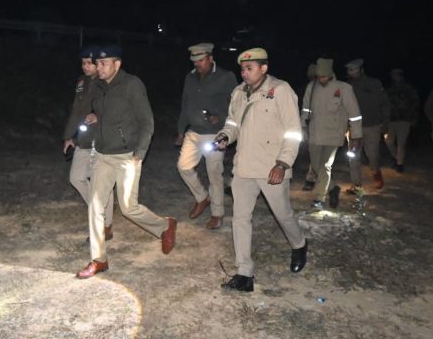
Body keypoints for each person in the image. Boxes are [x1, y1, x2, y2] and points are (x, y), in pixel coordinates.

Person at [76, 45, 177, 279]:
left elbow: (146, 121)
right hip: (102, 154)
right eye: (97, 63)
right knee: (95, 206)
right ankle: (99, 259)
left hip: (126, 156)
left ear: (117, 64)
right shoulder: (97, 85)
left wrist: (140, 152)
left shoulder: (132, 84)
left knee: (128, 207)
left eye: (104, 63)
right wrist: (96, 120)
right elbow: (106, 113)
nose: (99, 67)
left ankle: (165, 226)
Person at [214, 47, 307, 293]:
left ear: (264, 68)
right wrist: (225, 136)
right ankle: (244, 273)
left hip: (271, 167)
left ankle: (299, 244)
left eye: (249, 68)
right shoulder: (238, 92)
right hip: (244, 166)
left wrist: (283, 163)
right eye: (242, 69)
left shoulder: (281, 91)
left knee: (282, 214)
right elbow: (233, 123)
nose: (244, 73)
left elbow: (293, 132)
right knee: (240, 218)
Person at [175, 42, 238, 230]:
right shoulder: (190, 78)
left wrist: (220, 116)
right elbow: (185, 105)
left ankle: (217, 214)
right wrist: (180, 130)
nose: (197, 64)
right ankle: (202, 198)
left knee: (214, 175)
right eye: (194, 61)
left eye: (200, 60)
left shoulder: (226, 77)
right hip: (193, 132)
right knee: (183, 166)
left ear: (210, 58)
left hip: (215, 134)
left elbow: (236, 106)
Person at [62, 45, 115, 241]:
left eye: (89, 63)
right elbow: (76, 110)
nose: (85, 67)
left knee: (101, 185)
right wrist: (69, 136)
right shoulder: (82, 82)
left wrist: (100, 116)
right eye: (83, 63)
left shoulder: (106, 82)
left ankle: (105, 225)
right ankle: (98, 209)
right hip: (83, 139)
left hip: (101, 139)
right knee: (76, 178)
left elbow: (117, 109)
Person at [301, 58, 363, 210]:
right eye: (318, 76)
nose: (321, 79)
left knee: (325, 165)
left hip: (334, 134)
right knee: (316, 166)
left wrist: (356, 136)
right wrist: (302, 127)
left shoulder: (344, 88)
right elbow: (306, 109)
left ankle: (319, 199)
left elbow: (355, 114)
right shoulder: (312, 87)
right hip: (314, 134)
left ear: (330, 74)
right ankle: (333, 188)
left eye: (324, 76)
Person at [345, 59, 390, 192]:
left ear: (361, 70)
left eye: (354, 69)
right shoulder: (347, 87)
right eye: (349, 70)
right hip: (354, 128)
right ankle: (356, 185)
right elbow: (343, 107)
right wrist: (345, 126)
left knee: (373, 155)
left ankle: (376, 173)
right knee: (353, 156)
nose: (351, 72)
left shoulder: (374, 83)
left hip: (372, 125)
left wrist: (385, 122)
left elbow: (385, 103)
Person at [384, 68, 420, 173]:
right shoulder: (389, 89)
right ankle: (397, 158)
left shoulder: (409, 88)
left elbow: (416, 103)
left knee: (401, 143)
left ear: (401, 76)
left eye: (396, 75)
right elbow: (384, 104)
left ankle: (399, 164)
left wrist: (414, 117)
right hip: (391, 119)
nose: (394, 77)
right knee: (388, 141)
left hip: (405, 119)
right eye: (393, 75)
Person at [300, 63, 318, 191]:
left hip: (329, 127)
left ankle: (313, 178)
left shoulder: (334, 86)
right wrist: (303, 124)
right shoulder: (311, 87)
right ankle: (311, 177)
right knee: (314, 152)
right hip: (313, 124)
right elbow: (306, 107)